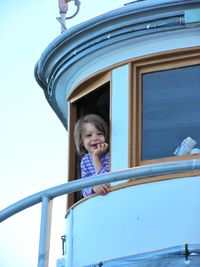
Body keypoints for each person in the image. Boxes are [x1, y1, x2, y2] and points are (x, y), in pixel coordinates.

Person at [74, 114, 110, 197]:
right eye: (88, 135)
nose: (95, 138)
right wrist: (93, 188)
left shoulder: (110, 156)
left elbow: (107, 182)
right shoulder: (85, 161)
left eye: (99, 134)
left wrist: (96, 158)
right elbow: (84, 189)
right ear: (81, 141)